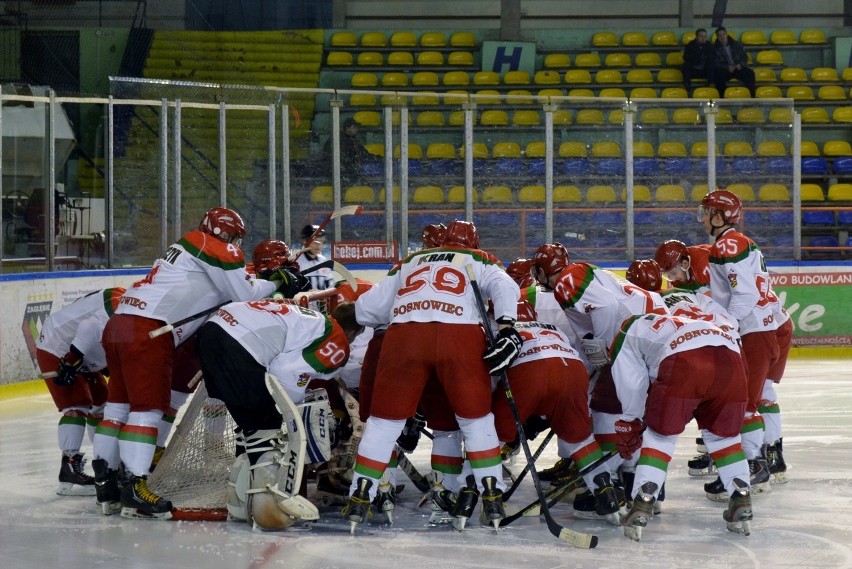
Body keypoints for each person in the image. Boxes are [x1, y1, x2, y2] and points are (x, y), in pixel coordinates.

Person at [92, 207, 307, 519]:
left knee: (117, 408)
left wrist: (270, 279)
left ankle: (105, 483)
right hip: (150, 332)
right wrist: (276, 282)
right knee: (147, 410)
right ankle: (134, 485)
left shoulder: (188, 247)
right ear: (225, 235)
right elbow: (242, 293)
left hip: (120, 324)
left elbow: (229, 286)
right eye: (233, 236)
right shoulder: (217, 247)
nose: (235, 242)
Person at [344, 220, 521, 532]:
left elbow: (367, 310)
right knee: (474, 420)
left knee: (383, 424)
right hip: (460, 337)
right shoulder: (479, 258)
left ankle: (360, 495)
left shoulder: (409, 261)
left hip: (403, 339)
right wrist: (508, 327)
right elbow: (506, 286)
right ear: (474, 243)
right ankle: (491, 494)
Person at [195, 298, 363, 529]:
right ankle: (268, 510)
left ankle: (239, 502)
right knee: (269, 432)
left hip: (213, 330)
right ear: (354, 332)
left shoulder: (310, 321)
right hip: (238, 344)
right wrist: (290, 413)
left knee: (251, 429)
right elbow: (287, 372)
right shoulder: (337, 339)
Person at [610, 311, 753, 540]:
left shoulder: (630, 328)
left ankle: (643, 502)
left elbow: (632, 382)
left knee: (660, 438)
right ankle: (742, 497)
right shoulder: (706, 316)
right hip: (732, 362)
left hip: (685, 363)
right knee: (724, 438)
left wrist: (631, 420)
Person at [698, 190, 793, 499]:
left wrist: (725, 324)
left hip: (754, 333)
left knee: (745, 404)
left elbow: (744, 294)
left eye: (706, 212)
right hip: (766, 328)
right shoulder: (742, 242)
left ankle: (754, 466)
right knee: (759, 395)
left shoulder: (727, 245)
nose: (702, 218)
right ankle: (769, 459)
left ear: (719, 216)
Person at [491, 300, 621, 525]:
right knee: (580, 438)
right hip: (572, 371)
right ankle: (605, 492)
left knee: (490, 434)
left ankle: (481, 493)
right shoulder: (553, 328)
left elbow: (491, 377)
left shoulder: (498, 331)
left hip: (528, 373)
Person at [35, 287, 124, 496]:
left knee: (102, 404)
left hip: (81, 350)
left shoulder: (128, 300)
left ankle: (106, 463)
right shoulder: (121, 303)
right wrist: (74, 356)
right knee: (77, 405)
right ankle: (69, 465)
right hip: (56, 346)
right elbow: (89, 327)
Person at [712, 27, 756, 97]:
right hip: (725, 70)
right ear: (717, 37)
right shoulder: (714, 48)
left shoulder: (737, 44)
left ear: (726, 34)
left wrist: (740, 64)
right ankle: (721, 98)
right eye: (720, 35)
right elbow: (715, 62)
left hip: (738, 68)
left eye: (723, 34)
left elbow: (744, 57)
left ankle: (752, 96)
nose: (722, 37)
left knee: (750, 74)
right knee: (718, 76)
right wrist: (726, 67)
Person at [323, 117, 368, 183]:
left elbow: (364, 153)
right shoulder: (338, 139)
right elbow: (332, 157)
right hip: (342, 172)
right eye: (354, 127)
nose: (357, 129)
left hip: (350, 170)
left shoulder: (353, 139)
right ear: (347, 128)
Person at [296, 225, 334, 293]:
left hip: (322, 303)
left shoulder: (324, 261)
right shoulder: (296, 262)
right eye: (315, 241)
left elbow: (330, 287)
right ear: (305, 241)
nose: (318, 245)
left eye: (321, 241)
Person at [681, 28, 715, 94]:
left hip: (705, 70)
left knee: (712, 66)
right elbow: (686, 57)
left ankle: (712, 86)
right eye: (701, 36)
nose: (703, 38)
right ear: (696, 36)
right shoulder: (691, 45)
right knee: (685, 65)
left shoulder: (709, 46)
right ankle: (687, 86)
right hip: (693, 70)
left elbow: (712, 58)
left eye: (705, 36)